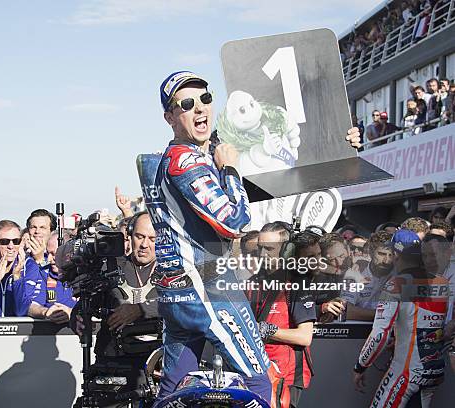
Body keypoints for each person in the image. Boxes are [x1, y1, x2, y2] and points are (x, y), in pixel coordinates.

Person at [148, 71, 361, 404]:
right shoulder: (187, 159)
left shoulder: (198, 156)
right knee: (260, 381)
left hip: (180, 291)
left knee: (172, 387)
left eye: (205, 98)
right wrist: (230, 169)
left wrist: (338, 146)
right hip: (206, 290)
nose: (200, 108)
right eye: (187, 104)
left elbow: (276, 158)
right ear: (170, 117)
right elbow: (233, 221)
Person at [71, 212, 159, 407]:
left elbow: (184, 302)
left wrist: (141, 310)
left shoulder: (172, 272)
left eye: (152, 239)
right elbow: (84, 305)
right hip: (113, 366)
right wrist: (77, 319)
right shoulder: (109, 267)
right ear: (128, 235)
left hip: (157, 365)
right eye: (139, 237)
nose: (145, 245)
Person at [353, 229, 449, 407]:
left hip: (407, 372)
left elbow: (380, 335)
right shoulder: (442, 282)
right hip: (435, 369)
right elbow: (427, 322)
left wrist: (361, 366)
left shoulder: (395, 284)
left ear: (397, 255)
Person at [247, 223, 316, 407]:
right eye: (260, 248)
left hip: (287, 376)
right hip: (257, 370)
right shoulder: (252, 282)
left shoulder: (298, 283)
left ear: (287, 250)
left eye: (269, 249)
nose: (262, 254)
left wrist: (268, 330)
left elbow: (305, 336)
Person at [0, 220, 42, 317]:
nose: (11, 246)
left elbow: (21, 310)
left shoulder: (29, 266)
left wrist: (17, 277)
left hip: (18, 330)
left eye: (16, 241)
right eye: (5, 242)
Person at [342, 230, 395, 321]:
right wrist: (385, 316)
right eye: (381, 254)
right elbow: (347, 311)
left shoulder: (399, 274)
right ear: (370, 252)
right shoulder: (355, 273)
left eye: (391, 255)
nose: (387, 261)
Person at [28, 232, 75, 324]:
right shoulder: (43, 272)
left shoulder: (85, 275)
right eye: (48, 253)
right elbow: (30, 306)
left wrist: (72, 313)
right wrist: (45, 312)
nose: (49, 259)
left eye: (54, 254)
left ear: (69, 255)